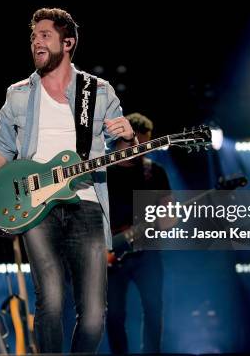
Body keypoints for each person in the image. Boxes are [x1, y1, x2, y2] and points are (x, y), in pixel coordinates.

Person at [0, 7, 135, 353]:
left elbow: (123, 152)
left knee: (93, 316)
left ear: (68, 42)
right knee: (51, 301)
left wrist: (128, 138)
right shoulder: (18, 94)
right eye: (33, 37)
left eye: (45, 35)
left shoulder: (99, 91)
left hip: (86, 202)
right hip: (35, 204)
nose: (36, 42)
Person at [105, 112, 171, 354]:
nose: (143, 149)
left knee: (154, 309)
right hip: (111, 255)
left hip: (148, 253)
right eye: (138, 142)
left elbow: (169, 216)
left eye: (147, 143)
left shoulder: (155, 172)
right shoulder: (103, 171)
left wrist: (165, 219)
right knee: (113, 315)